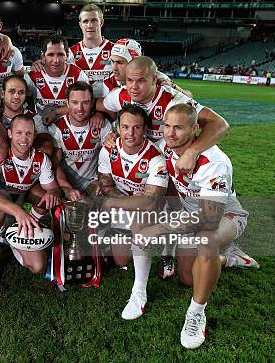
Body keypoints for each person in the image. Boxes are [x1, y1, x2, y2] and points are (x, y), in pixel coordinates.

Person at [133, 104, 257, 349]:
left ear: (195, 128)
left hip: (225, 217)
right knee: (188, 278)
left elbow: (207, 219)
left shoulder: (215, 162)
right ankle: (228, 257)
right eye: (167, 126)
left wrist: (158, 230)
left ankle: (196, 314)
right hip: (192, 218)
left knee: (207, 240)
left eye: (179, 127)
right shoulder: (168, 148)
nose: (171, 133)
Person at [97, 56, 231, 279]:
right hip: (148, 163)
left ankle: (169, 253)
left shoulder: (172, 99)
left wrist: (191, 152)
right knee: (153, 208)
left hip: (170, 163)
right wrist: (108, 126)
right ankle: (150, 250)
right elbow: (98, 105)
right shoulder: (120, 95)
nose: (134, 86)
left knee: (171, 203)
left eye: (140, 81)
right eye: (129, 80)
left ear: (155, 80)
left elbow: (220, 124)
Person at [96, 105, 168, 313]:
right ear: (118, 127)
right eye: (125, 127)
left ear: (145, 129)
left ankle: (139, 293)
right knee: (121, 260)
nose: (130, 133)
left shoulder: (156, 158)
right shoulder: (109, 149)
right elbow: (105, 185)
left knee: (141, 218)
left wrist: (116, 201)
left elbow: (150, 202)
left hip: (154, 212)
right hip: (125, 205)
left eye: (136, 128)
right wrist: (125, 200)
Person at [0, 114, 62, 285]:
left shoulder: (41, 159)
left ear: (34, 135)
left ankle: (10, 236)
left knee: (38, 265)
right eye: (18, 133)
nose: (23, 139)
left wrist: (53, 192)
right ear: (9, 134)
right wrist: (19, 212)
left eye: (28, 134)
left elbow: (52, 187)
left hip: (20, 213)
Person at [49, 81, 111, 199]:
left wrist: (103, 181)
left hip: (91, 182)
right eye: (74, 102)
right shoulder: (56, 128)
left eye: (85, 103)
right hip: (64, 182)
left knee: (105, 202)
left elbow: (109, 160)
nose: (80, 108)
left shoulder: (102, 124)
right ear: (67, 103)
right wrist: (67, 189)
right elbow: (54, 166)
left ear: (92, 103)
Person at [25, 34, 90, 122]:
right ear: (43, 56)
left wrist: (56, 112)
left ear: (67, 55)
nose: (56, 60)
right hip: (41, 126)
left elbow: (87, 105)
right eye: (51, 55)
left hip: (71, 125)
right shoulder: (31, 76)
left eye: (60, 54)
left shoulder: (78, 75)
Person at [68, 4, 114, 84]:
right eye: (85, 21)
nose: (90, 25)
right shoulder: (70, 53)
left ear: (101, 22)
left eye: (94, 20)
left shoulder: (115, 50)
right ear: (80, 25)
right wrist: (40, 64)